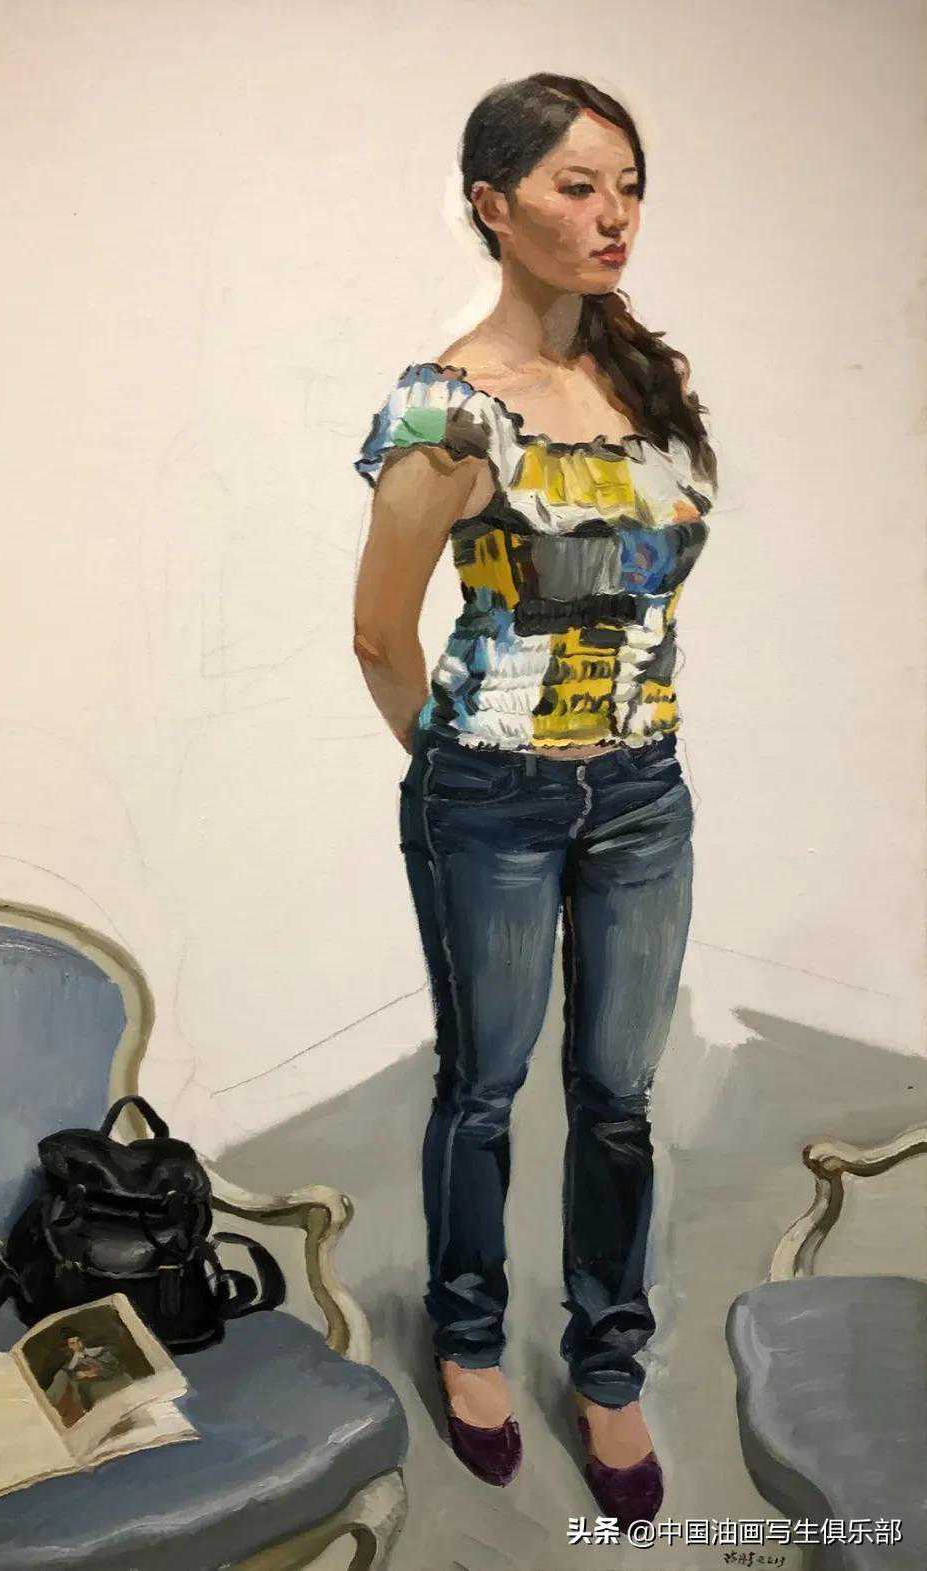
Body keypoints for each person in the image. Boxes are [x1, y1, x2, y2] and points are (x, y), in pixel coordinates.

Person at [351, 74, 718, 1526]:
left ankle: (608, 1364)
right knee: (486, 1086)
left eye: (629, 184)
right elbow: (381, 635)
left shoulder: (644, 382)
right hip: (490, 795)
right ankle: (466, 1338)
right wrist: (460, 777)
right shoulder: (448, 408)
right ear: (492, 207)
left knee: (619, 1095)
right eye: (579, 186)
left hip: (644, 793)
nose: (615, 214)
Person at [44, 1329, 128, 1426]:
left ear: (82, 1341)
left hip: (107, 1380)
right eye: (73, 1343)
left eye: (78, 1341)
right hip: (85, 1390)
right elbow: (71, 1374)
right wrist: (78, 1369)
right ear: (70, 1346)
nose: (77, 1345)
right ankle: (48, 1402)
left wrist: (90, 1373)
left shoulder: (99, 1351)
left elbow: (115, 1369)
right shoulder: (73, 1362)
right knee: (64, 1376)